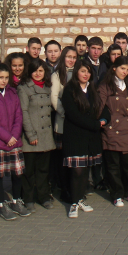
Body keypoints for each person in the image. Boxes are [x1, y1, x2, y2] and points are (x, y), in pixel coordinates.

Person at [61, 62, 108, 218]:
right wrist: (95, 124)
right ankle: (73, 203)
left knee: (85, 170)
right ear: (76, 73)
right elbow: (73, 115)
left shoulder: (92, 89)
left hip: (90, 137)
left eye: (88, 72)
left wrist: (104, 120)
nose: (86, 74)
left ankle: (80, 199)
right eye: (82, 71)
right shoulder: (69, 90)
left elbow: (103, 108)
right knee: (77, 171)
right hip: (75, 135)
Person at [0, 63, 29, 220]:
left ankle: (16, 201)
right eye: (0, 77)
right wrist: (6, 137)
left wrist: (14, 135)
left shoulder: (12, 93)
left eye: (6, 78)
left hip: (13, 140)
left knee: (17, 174)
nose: (3, 81)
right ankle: (2, 204)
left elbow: (18, 115)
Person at [98, 57, 128, 207]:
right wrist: (104, 121)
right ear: (114, 68)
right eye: (123, 68)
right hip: (112, 130)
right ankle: (116, 194)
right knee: (113, 166)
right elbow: (99, 107)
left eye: (127, 70)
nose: (125, 72)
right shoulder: (105, 86)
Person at [18, 58, 56, 212]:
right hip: (31, 135)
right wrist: (31, 134)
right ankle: (28, 198)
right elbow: (24, 112)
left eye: (41, 70)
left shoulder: (48, 87)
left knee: (43, 169)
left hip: (46, 135)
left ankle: (43, 196)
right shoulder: (24, 88)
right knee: (29, 171)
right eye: (35, 71)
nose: (38, 74)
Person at [50, 46, 78, 202]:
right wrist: (66, 113)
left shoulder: (78, 72)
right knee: (63, 160)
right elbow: (54, 99)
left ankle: (75, 188)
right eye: (69, 57)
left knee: (74, 158)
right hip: (63, 122)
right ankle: (64, 189)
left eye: (74, 57)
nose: (71, 60)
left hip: (76, 124)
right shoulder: (57, 75)